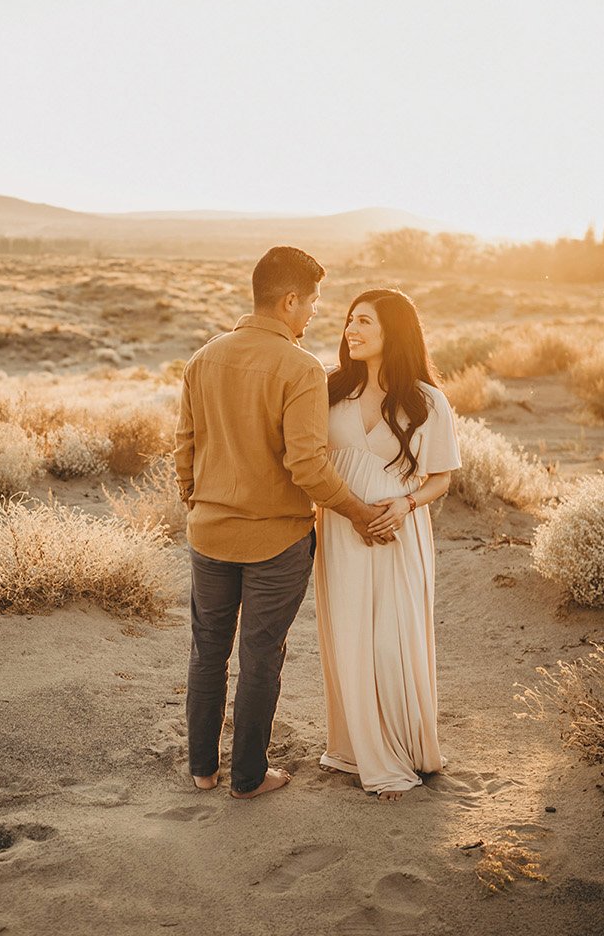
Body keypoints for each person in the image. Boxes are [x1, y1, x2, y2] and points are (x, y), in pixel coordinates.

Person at [174, 246, 386, 800]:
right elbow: (308, 466)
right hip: (276, 542)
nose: (315, 313)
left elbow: (185, 446)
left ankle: (202, 770)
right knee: (260, 657)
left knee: (208, 651)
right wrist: (361, 513)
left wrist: (195, 504)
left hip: (209, 536)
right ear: (290, 299)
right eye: (313, 301)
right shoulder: (300, 368)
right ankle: (247, 777)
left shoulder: (203, 358)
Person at [314, 289, 461, 801]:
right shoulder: (329, 390)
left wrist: (405, 505)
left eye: (364, 322)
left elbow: (441, 477)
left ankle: (401, 751)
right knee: (351, 635)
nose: (350, 331)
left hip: (401, 532)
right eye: (349, 320)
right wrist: (350, 511)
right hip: (338, 528)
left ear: (392, 332)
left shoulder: (427, 400)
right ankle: (356, 749)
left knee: (393, 639)